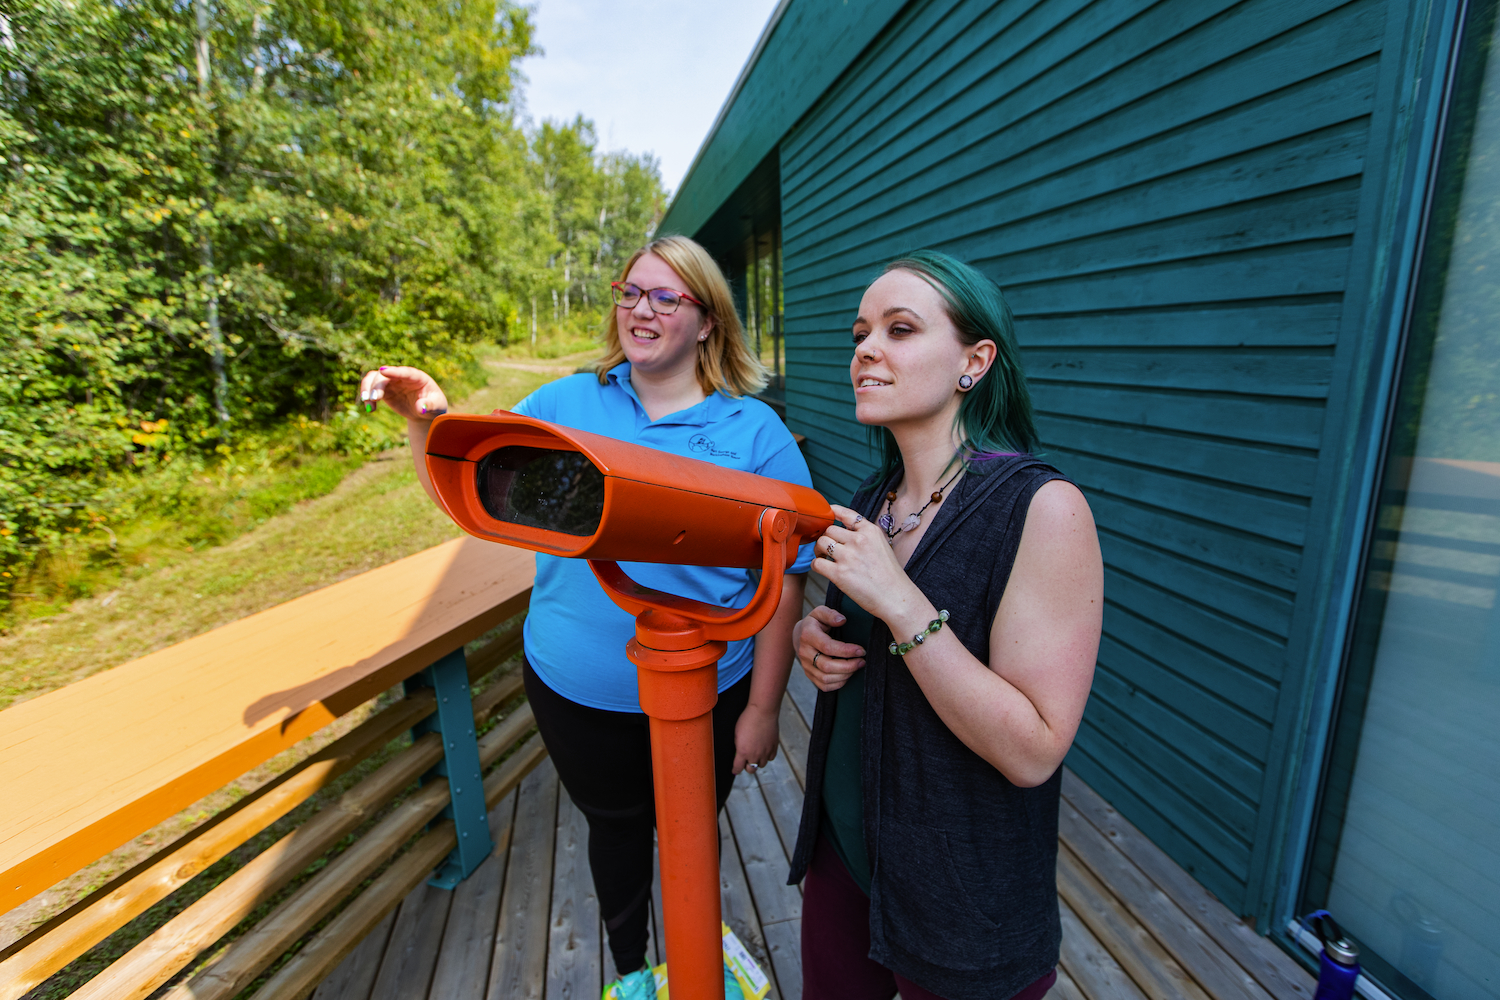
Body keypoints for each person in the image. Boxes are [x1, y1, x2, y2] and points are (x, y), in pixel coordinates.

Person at [360, 236, 813, 1000]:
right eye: (630, 291)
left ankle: (696, 945)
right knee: (615, 827)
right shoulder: (567, 403)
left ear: (707, 321)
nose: (641, 309)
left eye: (666, 297)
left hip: (710, 691)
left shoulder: (756, 434)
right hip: (575, 691)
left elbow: (789, 576)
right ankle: (633, 966)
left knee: (691, 824)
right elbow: (465, 481)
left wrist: (764, 709)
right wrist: (426, 416)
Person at [788, 251, 1103, 1000]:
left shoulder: (1042, 509)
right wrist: (821, 644)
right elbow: (881, 659)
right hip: (846, 855)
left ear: (976, 360)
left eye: (900, 330)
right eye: (861, 332)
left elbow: (1032, 751)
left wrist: (898, 602)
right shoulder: (876, 495)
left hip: (966, 899)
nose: (866, 349)